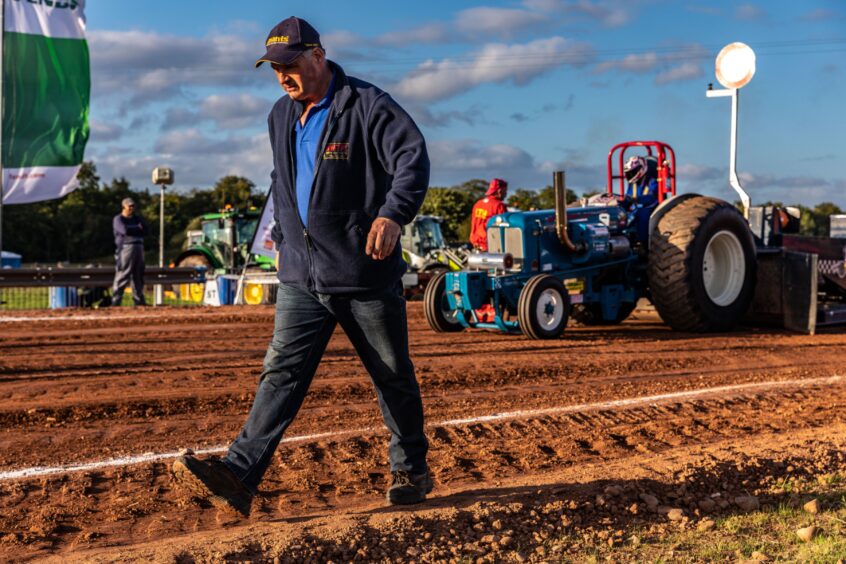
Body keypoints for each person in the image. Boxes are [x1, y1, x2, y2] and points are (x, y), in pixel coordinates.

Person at [172, 16, 432, 517]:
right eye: (275, 69)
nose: (283, 76)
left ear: (318, 55)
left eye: (290, 65)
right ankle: (240, 475)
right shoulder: (280, 115)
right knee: (281, 373)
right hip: (301, 277)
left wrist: (392, 215)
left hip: (363, 273)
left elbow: (412, 159)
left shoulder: (367, 105)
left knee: (392, 375)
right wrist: (287, 234)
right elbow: (282, 176)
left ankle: (410, 469)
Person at [111, 197, 147, 306]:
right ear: (124, 206)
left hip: (139, 247)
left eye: (133, 206)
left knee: (138, 275)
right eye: (129, 206)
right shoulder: (118, 219)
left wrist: (133, 228)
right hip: (125, 248)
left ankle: (139, 301)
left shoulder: (137, 218)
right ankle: (116, 301)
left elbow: (146, 229)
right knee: (123, 274)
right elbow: (124, 230)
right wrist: (137, 228)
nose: (132, 208)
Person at [622, 156, 659, 244]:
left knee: (642, 214)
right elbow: (628, 198)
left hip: (650, 208)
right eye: (628, 173)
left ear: (641, 169)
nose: (630, 175)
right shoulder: (632, 184)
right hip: (635, 208)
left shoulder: (652, 181)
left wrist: (636, 199)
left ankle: (643, 244)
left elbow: (652, 198)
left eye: (632, 172)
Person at [469, 178, 508, 251]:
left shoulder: (478, 204)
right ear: (499, 191)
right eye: (505, 191)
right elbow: (505, 227)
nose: (505, 194)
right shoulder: (499, 206)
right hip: (489, 245)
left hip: (475, 244)